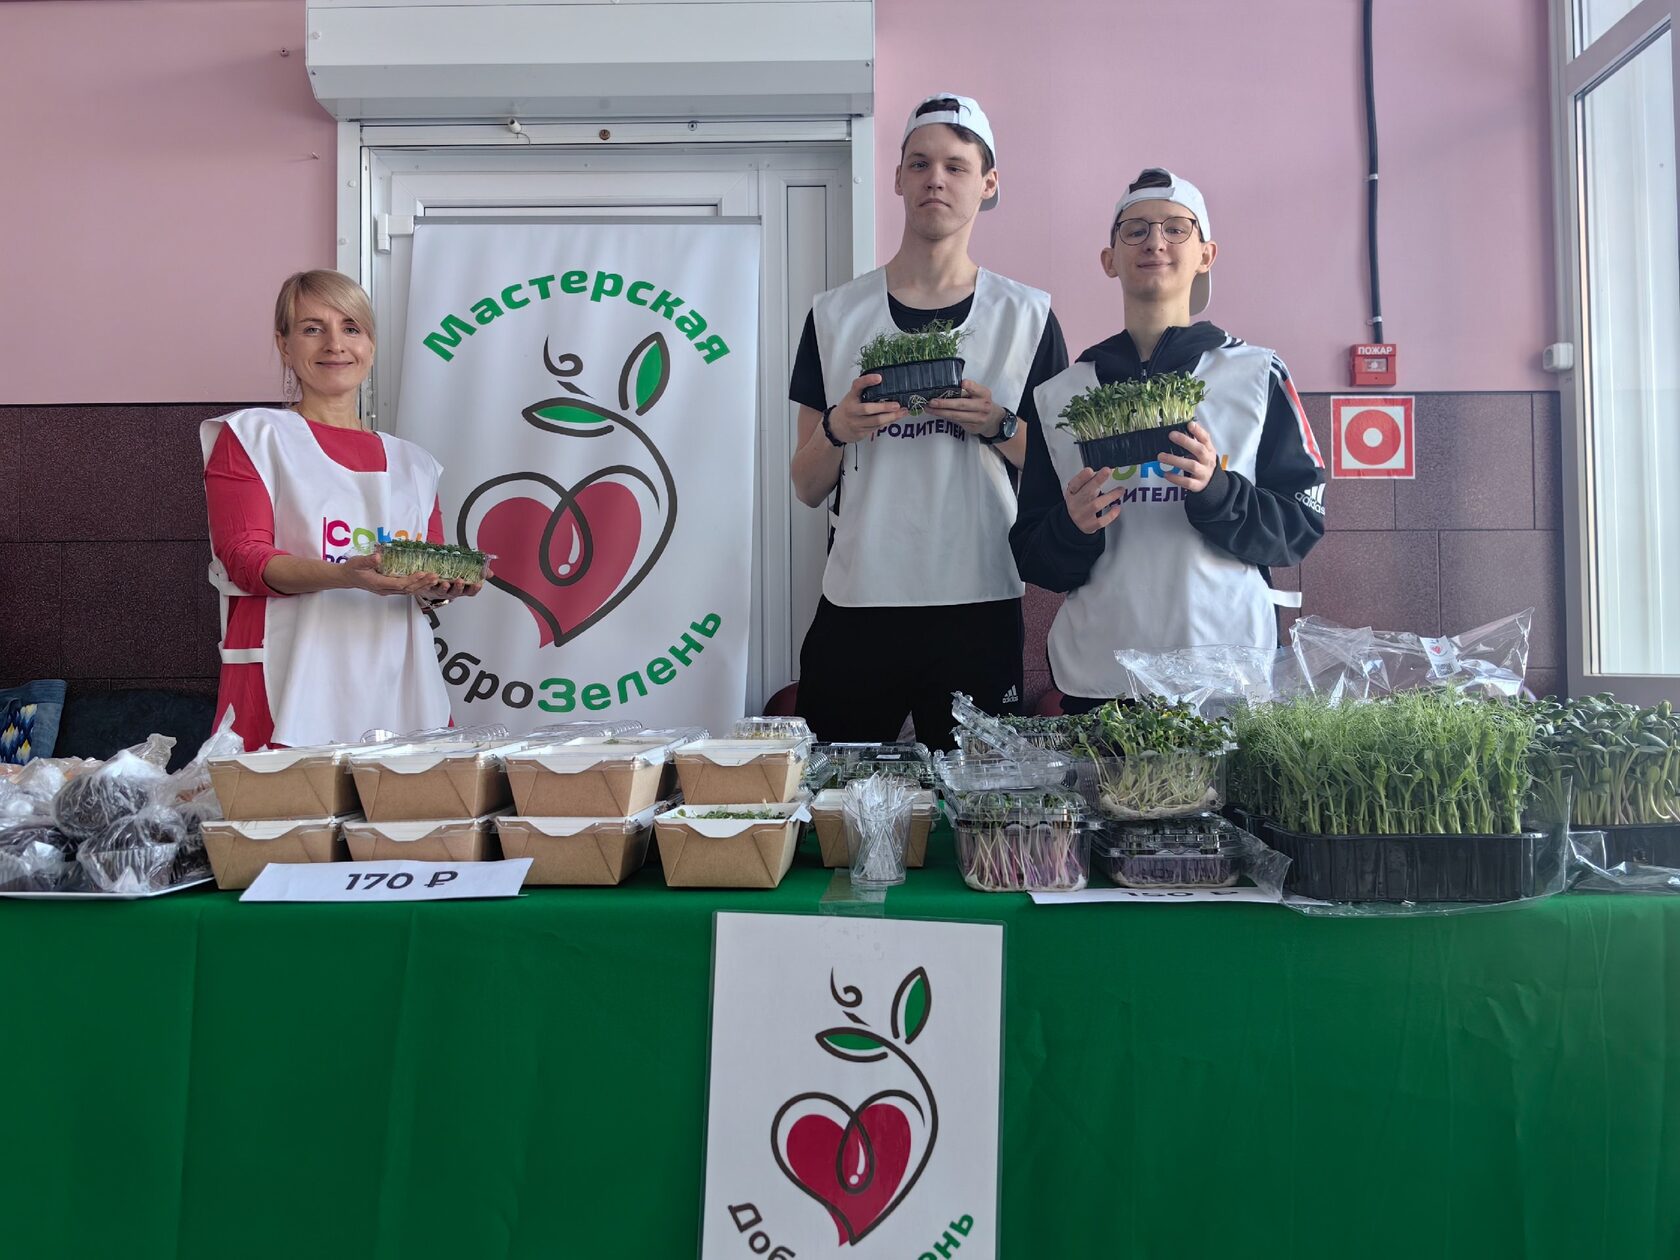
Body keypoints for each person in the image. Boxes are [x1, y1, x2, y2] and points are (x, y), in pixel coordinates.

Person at [788, 93, 1068, 747]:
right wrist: (839, 428)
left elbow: (1059, 471)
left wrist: (999, 424)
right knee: (837, 791)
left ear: (988, 183)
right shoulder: (836, 315)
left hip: (978, 597)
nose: (935, 179)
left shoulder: (1026, 317)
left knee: (977, 798)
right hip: (860, 599)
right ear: (897, 179)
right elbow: (805, 484)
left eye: (955, 166)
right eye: (919, 164)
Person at [1010, 168, 1326, 712]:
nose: (1155, 242)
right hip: (1100, 677)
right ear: (1109, 259)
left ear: (1206, 254)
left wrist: (1218, 491)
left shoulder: (1256, 374)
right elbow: (1033, 556)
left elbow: (1301, 524)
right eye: (1134, 230)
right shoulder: (1060, 394)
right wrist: (1072, 526)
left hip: (1226, 673)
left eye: (1176, 229)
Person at [200, 270, 484, 749]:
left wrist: (444, 586)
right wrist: (346, 574)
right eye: (312, 328)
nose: (335, 344)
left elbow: (424, 575)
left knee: (412, 796)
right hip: (290, 682)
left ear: (370, 345)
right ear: (284, 345)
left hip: (401, 681)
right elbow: (244, 560)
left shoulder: (415, 464)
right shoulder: (252, 437)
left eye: (351, 328)